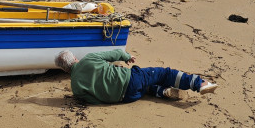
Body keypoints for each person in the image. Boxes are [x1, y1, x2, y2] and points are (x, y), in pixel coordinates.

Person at [55, 48, 217, 104]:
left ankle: (162, 92)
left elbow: (95, 100)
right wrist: (127, 57)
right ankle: (199, 84)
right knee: (163, 73)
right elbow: (116, 53)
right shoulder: (89, 59)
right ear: (75, 58)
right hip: (130, 80)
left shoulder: (75, 88)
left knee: (145, 87)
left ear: (65, 70)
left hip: (125, 98)